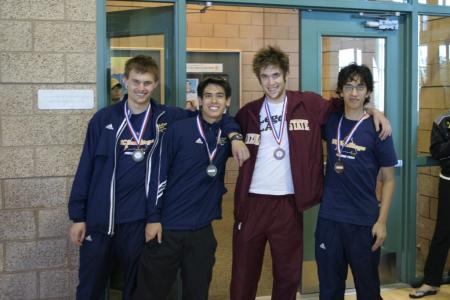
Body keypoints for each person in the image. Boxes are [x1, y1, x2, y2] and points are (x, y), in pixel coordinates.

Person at [68, 55, 247, 300]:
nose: (141, 88)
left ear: (155, 85)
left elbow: (214, 114)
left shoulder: (168, 117)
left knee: (133, 285)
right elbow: (86, 166)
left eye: (148, 83)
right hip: (101, 217)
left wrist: (235, 136)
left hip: (139, 218)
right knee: (90, 284)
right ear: (126, 81)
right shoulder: (104, 119)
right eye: (136, 82)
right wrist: (78, 215)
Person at [230, 46, 391, 300]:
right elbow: (229, 124)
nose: (271, 82)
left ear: (285, 75)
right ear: (258, 79)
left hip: (288, 203)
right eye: (265, 77)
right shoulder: (249, 111)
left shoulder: (308, 104)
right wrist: (233, 136)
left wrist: (375, 112)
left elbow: (348, 103)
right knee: (243, 273)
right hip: (252, 202)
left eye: (275, 75)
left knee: (287, 275)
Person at [133, 77, 247, 300]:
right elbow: (157, 174)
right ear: (200, 101)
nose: (214, 101)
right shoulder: (178, 130)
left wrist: (235, 136)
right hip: (167, 228)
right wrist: (153, 218)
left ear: (228, 101)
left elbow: (228, 122)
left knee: (197, 292)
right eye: (208, 96)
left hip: (202, 231)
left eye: (219, 96)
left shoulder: (227, 132)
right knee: (150, 293)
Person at [315, 63, 397, 300]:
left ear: (368, 91)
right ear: (340, 91)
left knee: (369, 291)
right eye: (348, 86)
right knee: (329, 291)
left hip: (364, 222)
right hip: (329, 220)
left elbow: (390, 179)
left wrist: (382, 222)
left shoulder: (378, 128)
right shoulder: (330, 122)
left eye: (360, 86)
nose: (353, 93)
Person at [409, 111, 450, 299]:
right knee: (442, 233)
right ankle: (431, 281)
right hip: (448, 181)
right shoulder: (443, 120)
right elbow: (437, 150)